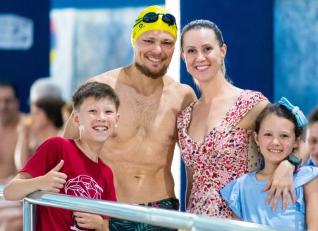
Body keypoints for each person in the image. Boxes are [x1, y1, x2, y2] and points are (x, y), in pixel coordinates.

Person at [64, 5, 196, 230]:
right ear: (133, 40)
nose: (158, 50)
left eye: (167, 43)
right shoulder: (102, 87)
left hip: (161, 211)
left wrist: (190, 216)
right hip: (106, 210)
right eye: (148, 41)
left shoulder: (183, 96)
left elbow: (195, 164)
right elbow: (65, 151)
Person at [177, 19, 300, 218]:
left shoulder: (250, 103)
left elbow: (301, 137)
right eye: (191, 51)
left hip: (241, 221)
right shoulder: (184, 118)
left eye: (207, 48)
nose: (200, 57)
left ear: (222, 51)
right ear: (183, 56)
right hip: (197, 223)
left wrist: (289, 164)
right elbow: (192, 181)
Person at [4, 82, 119, 231]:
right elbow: (10, 191)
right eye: (92, 111)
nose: (101, 118)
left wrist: (100, 224)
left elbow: (111, 224)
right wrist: (40, 182)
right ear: (76, 119)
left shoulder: (106, 173)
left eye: (108, 112)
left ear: (116, 120)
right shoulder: (57, 147)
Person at [221, 97, 318, 230]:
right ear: (256, 138)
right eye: (268, 134)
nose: (275, 142)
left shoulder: (308, 180)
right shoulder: (239, 188)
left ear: (296, 141)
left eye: (284, 136)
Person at [14, 79, 65, 170]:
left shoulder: (62, 137)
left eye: (36, 112)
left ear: (50, 113)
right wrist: (23, 136)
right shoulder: (36, 138)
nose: (31, 116)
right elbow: (22, 169)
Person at [0, 80, 23, 231]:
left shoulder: (27, 128)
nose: (3, 106)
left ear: (17, 103)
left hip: (15, 198)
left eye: (7, 101)